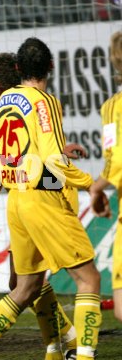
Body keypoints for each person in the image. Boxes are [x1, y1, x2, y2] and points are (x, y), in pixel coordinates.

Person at [0, 38, 102, 360]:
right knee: (89, 278)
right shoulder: (44, 101)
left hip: (16, 201)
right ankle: (82, 354)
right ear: (51, 67)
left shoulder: (5, 102)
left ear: (18, 69)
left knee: (25, 287)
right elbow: (52, 160)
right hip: (44, 198)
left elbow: (5, 159)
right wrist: (91, 184)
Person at [89, 30, 122, 323]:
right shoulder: (110, 108)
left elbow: (116, 160)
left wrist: (97, 188)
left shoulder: (110, 108)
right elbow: (114, 159)